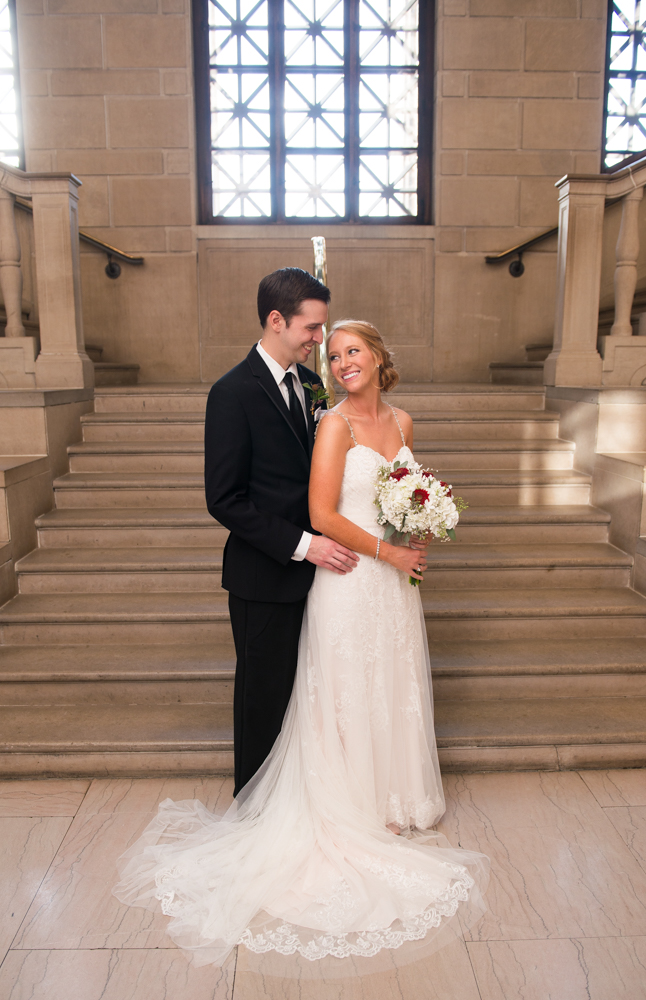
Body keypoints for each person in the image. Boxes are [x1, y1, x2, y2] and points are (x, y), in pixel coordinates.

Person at [113, 315, 488, 970]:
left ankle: (389, 799)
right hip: (346, 577)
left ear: (377, 355)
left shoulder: (403, 423)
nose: (342, 362)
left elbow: (401, 495)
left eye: (353, 351)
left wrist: (416, 532)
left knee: (388, 681)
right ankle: (346, 805)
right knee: (342, 685)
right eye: (334, 353)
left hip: (393, 584)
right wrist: (384, 553)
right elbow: (321, 516)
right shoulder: (331, 424)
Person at [202, 267, 359, 795]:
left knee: (306, 695)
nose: (321, 340)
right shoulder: (231, 393)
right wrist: (304, 545)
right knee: (263, 697)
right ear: (276, 320)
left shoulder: (313, 386)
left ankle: (298, 800)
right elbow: (224, 500)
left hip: (323, 577)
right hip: (263, 576)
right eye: (312, 328)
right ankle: (253, 808)